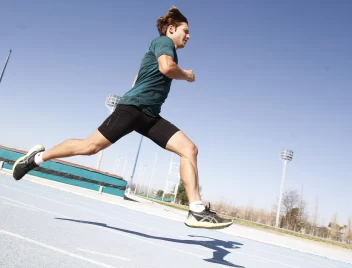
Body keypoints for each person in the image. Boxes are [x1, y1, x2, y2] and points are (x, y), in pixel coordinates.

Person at [12, 7, 233, 230]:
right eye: (185, 31)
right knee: (90, 147)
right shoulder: (164, 43)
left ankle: (196, 210)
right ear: (172, 29)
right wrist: (186, 75)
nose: (189, 36)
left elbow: (137, 79)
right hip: (133, 109)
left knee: (189, 149)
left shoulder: (160, 49)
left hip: (149, 115)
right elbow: (166, 68)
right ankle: (37, 158)